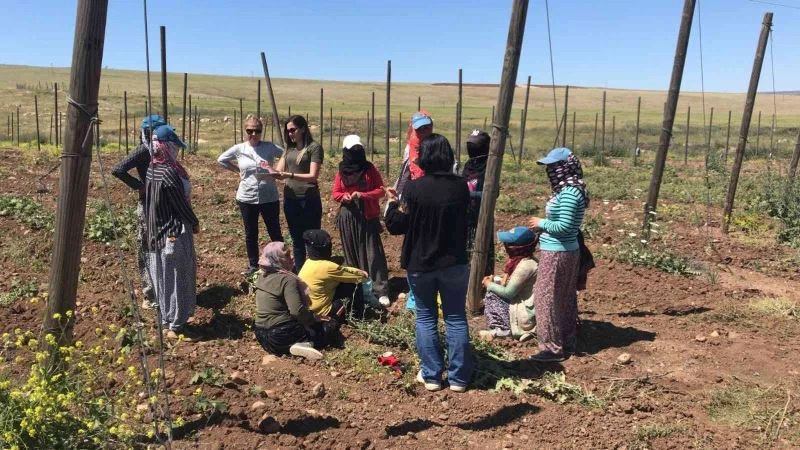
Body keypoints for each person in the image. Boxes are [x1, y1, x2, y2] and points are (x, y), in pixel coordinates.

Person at [385, 133, 473, 393]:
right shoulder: (460, 187)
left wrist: (391, 203)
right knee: (456, 317)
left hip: (421, 262)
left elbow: (396, 225)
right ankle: (458, 378)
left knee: (426, 317)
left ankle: (432, 375)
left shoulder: (414, 188)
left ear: (423, 156)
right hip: (454, 261)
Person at [527, 148, 589, 362]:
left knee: (546, 299)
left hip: (558, 252)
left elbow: (565, 226)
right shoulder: (567, 190)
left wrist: (541, 223)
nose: (550, 171)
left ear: (565, 167)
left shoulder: (570, 193)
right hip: (563, 251)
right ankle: (567, 341)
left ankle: (551, 349)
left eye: (554, 166)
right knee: (563, 297)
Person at [143, 124, 199, 340]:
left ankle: (166, 320)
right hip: (173, 231)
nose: (176, 150)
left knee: (163, 277)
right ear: (167, 147)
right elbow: (179, 205)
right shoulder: (168, 172)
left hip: (156, 232)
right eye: (174, 146)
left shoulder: (152, 168)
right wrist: (194, 222)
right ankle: (176, 323)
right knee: (179, 276)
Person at [112, 114, 167, 309]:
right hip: (148, 205)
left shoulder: (163, 149)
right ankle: (149, 294)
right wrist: (139, 186)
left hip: (164, 205)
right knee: (148, 246)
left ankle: (162, 290)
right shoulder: (144, 150)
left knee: (163, 247)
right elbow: (118, 169)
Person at [217, 116, 284, 276]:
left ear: (261, 132)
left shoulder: (269, 147)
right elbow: (221, 159)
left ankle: (282, 262)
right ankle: (253, 264)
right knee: (250, 233)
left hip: (269, 197)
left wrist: (277, 169)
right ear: (245, 130)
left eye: (257, 131)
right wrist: (237, 170)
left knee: (274, 231)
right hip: (247, 197)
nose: (253, 134)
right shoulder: (239, 148)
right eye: (250, 131)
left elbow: (287, 154)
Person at [331, 135, 390, 307]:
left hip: (367, 215)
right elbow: (335, 193)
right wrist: (345, 196)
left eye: (359, 149)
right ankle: (359, 290)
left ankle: (380, 290)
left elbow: (380, 190)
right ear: (346, 152)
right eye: (352, 150)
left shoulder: (369, 169)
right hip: (348, 216)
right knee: (352, 252)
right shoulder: (341, 170)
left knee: (373, 253)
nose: (356, 153)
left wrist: (362, 195)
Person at [253, 242, 330, 360]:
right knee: (328, 328)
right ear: (277, 259)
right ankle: (303, 343)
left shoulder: (262, 277)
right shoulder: (287, 280)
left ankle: (296, 345)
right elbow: (297, 311)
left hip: (261, 336)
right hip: (281, 334)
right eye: (287, 255)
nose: (292, 257)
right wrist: (314, 319)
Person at [274, 115, 323, 272]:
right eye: (287, 131)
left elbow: (313, 176)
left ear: (302, 129)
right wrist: (267, 170)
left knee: (313, 238)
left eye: (293, 130)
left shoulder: (314, 148)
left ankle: (315, 272)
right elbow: (278, 171)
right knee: (296, 239)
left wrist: (290, 175)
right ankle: (301, 273)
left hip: (308, 199)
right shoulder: (289, 149)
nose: (290, 134)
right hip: (291, 199)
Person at [479, 226, 538, 342]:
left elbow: (509, 293)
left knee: (492, 295)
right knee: (495, 285)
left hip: (525, 316)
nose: (505, 246)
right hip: (526, 308)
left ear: (517, 248)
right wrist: (496, 280)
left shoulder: (525, 266)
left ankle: (503, 330)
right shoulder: (527, 260)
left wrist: (489, 284)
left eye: (508, 244)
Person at [297, 229, 368, 323]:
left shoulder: (308, 262)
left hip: (310, 312)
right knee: (353, 284)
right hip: (324, 313)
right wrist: (359, 270)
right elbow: (362, 277)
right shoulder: (328, 267)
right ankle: (358, 316)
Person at [462, 129, 494, 277]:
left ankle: (482, 282)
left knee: (482, 251)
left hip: (482, 217)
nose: (472, 150)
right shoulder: (469, 165)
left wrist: (469, 194)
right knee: (466, 250)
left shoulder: (490, 167)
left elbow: (493, 193)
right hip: (466, 216)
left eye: (476, 146)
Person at [394, 111, 433, 197]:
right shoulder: (413, 145)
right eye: (419, 128)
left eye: (425, 127)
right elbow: (410, 171)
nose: (423, 130)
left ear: (431, 126)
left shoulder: (435, 142)